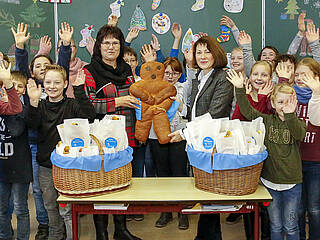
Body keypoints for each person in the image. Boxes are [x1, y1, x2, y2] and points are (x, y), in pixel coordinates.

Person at [227, 69, 306, 240]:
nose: (284, 106)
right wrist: (240, 89)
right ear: (273, 102)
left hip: (292, 184)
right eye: (280, 102)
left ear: (295, 102)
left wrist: (291, 114)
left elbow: (299, 134)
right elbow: (248, 112)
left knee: (291, 227)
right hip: (270, 183)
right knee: (276, 225)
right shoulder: (267, 121)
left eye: (289, 102)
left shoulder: (297, 122)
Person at [169, 35, 234, 240]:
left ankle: (211, 236)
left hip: (212, 143)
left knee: (211, 193)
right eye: (199, 52)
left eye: (207, 51)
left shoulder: (223, 77)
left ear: (216, 53)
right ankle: (205, 235)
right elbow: (197, 112)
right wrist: (182, 107)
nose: (203, 56)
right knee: (204, 191)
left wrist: (183, 133)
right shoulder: (200, 77)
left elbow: (213, 115)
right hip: (199, 143)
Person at [12, 21, 72, 239]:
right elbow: (20, 68)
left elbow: (62, 67)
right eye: (38, 66)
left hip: (58, 146)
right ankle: (45, 224)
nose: (42, 69)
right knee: (39, 190)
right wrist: (20, 48)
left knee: (61, 191)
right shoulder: (30, 90)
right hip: (36, 146)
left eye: (47, 66)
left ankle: (63, 225)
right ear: (33, 72)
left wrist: (65, 45)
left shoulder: (54, 85)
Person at [83, 24, 141, 240]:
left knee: (122, 184)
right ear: (98, 46)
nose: (110, 47)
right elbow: (88, 105)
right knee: (102, 186)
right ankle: (101, 234)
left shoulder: (127, 71)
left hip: (126, 136)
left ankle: (121, 229)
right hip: (101, 140)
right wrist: (117, 101)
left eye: (115, 43)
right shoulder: (89, 71)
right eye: (106, 42)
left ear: (121, 46)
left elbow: (135, 97)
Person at [26, 64, 95, 240]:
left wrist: (79, 90)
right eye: (48, 82)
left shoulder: (72, 105)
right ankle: (55, 234)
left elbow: (90, 116)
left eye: (57, 82)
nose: (52, 86)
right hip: (46, 166)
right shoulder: (39, 105)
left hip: (68, 166)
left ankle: (72, 236)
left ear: (65, 84)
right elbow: (31, 125)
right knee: (49, 204)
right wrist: (33, 104)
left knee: (66, 208)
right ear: (43, 82)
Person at [142, 56, 189, 230]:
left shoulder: (184, 88)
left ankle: (182, 213)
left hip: (178, 135)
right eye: (167, 72)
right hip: (156, 136)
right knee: (162, 175)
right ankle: (166, 212)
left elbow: (186, 111)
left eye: (175, 73)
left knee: (179, 174)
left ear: (180, 75)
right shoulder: (154, 89)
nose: (170, 76)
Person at [282, 57, 320, 240]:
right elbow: (273, 106)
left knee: (314, 209)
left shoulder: (318, 96)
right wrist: (282, 81)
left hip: (316, 163)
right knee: (297, 209)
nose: (299, 78)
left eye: (304, 75)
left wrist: (317, 93)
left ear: (316, 77)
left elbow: (316, 120)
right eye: (296, 74)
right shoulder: (290, 96)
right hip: (294, 162)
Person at [0, 61, 30, 240]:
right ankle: (4, 236)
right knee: (2, 208)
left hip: (19, 166)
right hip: (2, 167)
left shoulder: (19, 108)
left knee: (20, 208)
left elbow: (16, 111)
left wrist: (9, 86)